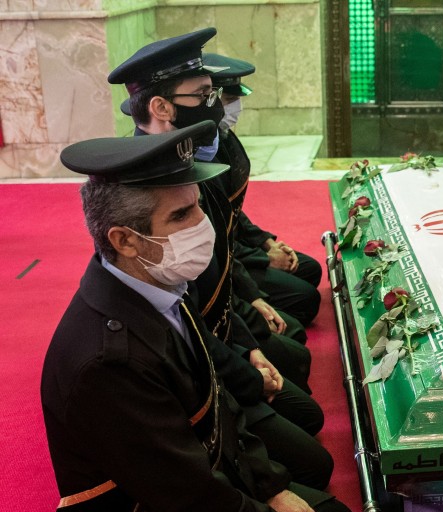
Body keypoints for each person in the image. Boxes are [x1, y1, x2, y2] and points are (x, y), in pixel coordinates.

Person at [30, 123, 362, 512]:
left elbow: (220, 403)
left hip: (193, 487)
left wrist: (271, 485)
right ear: (124, 239)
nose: (203, 224)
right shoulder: (107, 362)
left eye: (197, 207)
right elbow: (186, 496)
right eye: (182, 215)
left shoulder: (152, 281)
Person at [109, 29, 331, 486]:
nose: (217, 105)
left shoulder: (198, 161)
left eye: (215, 94)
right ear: (161, 107)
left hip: (222, 330)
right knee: (313, 454)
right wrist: (243, 365)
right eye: (203, 94)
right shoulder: (136, 188)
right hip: (200, 361)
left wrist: (248, 339)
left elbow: (226, 244)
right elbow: (179, 316)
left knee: (298, 376)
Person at [206, 53, 324, 328]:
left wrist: (266, 242)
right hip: (223, 259)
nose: (237, 109)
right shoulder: (200, 150)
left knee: (309, 270)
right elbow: (214, 239)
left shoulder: (220, 136)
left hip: (238, 245)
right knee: (306, 300)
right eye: (230, 101)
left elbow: (233, 211)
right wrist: (262, 259)